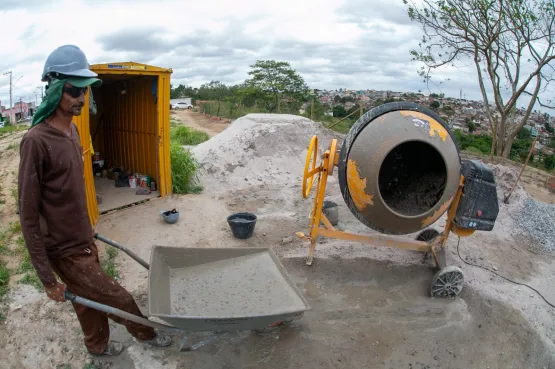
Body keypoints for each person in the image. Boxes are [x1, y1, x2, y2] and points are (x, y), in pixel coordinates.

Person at [18, 45, 172, 356]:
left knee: (87, 303)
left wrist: (88, 230)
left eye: (85, 90)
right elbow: (28, 215)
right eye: (74, 90)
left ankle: (97, 349)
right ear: (56, 88)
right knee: (118, 298)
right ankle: (147, 335)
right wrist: (47, 279)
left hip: (82, 237)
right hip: (64, 249)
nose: (81, 98)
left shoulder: (73, 131)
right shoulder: (36, 141)